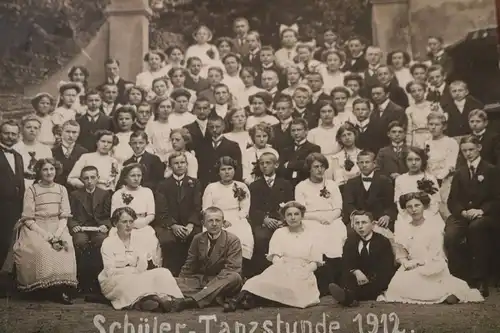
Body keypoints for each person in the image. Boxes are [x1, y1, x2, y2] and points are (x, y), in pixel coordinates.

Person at [379, 192, 483, 304]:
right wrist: (406, 262)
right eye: (409, 206)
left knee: (429, 283)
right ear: (405, 209)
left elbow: (436, 252)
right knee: (398, 287)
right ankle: (440, 295)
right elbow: (401, 254)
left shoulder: (434, 226)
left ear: (424, 206)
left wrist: (421, 262)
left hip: (432, 263)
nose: (413, 209)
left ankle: (445, 294)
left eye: (417, 205)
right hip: (411, 265)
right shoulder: (404, 229)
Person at [225, 201, 323, 311]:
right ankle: (236, 301)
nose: (293, 218)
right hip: (282, 267)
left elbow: (315, 261)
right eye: (289, 215)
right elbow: (276, 256)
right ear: (284, 218)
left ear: (302, 216)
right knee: (257, 282)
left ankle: (252, 300)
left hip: (303, 270)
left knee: (293, 290)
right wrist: (282, 268)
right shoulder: (280, 233)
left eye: (296, 214)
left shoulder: (312, 234)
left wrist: (304, 271)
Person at [13, 158, 77, 304]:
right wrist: (47, 236)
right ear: (39, 172)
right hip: (36, 226)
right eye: (45, 169)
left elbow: (64, 215)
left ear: (56, 171)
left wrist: (58, 234)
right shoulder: (32, 190)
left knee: (66, 246)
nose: (49, 172)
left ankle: (59, 288)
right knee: (41, 249)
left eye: (52, 169)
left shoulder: (62, 189)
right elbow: (28, 218)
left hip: (57, 226)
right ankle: (41, 289)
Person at [445, 136, 500, 296]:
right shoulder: (460, 172)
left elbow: (497, 198)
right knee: (451, 234)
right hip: (464, 214)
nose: (468, 154)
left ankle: (480, 279)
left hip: (487, 215)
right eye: (464, 151)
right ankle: (458, 279)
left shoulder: (491, 170)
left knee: (477, 228)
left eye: (471, 149)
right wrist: (462, 211)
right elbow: (452, 200)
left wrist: (481, 210)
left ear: (479, 148)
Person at [99, 207, 183, 312]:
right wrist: (132, 270)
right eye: (124, 222)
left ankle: (169, 298)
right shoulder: (108, 243)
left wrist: (136, 267)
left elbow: (142, 267)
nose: (128, 225)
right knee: (131, 282)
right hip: (114, 281)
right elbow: (110, 271)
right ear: (115, 224)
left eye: (131, 221)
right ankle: (154, 300)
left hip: (136, 275)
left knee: (162, 272)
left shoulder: (138, 240)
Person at [295, 152, 346, 296]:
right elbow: (301, 210)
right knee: (316, 238)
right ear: (309, 169)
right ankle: (322, 285)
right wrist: (318, 217)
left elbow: (338, 207)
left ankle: (337, 282)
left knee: (336, 234)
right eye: (316, 167)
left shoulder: (332, 184)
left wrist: (330, 217)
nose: (319, 170)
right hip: (310, 220)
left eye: (322, 166)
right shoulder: (301, 186)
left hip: (332, 219)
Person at [173, 206, 243, 311]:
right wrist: (181, 281)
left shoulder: (233, 240)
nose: (214, 224)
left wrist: (212, 286)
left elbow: (233, 268)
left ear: (223, 223)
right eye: (210, 221)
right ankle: (214, 298)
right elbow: (189, 265)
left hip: (222, 282)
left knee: (235, 277)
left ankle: (191, 301)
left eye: (218, 220)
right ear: (203, 223)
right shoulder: (198, 239)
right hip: (202, 281)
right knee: (172, 281)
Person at [328, 210, 395, 307]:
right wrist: (356, 271)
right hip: (358, 277)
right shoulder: (350, 240)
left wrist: (369, 278)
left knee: (378, 283)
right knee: (346, 276)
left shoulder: (382, 241)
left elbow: (386, 267)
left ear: (372, 225)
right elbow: (347, 262)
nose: (360, 226)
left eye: (364, 223)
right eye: (357, 223)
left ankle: (350, 297)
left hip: (375, 277)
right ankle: (350, 295)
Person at [154, 152, 202, 275]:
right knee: (168, 241)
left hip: (190, 224)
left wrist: (191, 224)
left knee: (197, 238)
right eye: (176, 163)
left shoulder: (195, 183)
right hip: (169, 224)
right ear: (170, 166)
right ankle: (172, 274)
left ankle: (192, 273)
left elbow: (197, 207)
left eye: (182, 163)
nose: (180, 166)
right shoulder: (162, 185)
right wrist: (173, 225)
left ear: (187, 165)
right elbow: (161, 209)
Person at [248, 152, 294, 277]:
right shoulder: (254, 186)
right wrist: (264, 219)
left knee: (287, 238)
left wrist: (283, 221)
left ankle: (285, 273)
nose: (264, 166)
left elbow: (291, 205)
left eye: (268, 163)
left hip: (281, 222)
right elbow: (252, 209)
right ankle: (263, 274)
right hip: (264, 222)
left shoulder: (285, 184)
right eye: (261, 163)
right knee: (261, 238)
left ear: (276, 165)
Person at [203, 157, 254, 264]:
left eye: (230, 168)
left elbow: (244, 209)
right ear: (218, 172)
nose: (227, 172)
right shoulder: (211, 187)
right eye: (223, 169)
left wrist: (237, 219)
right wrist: (220, 220)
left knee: (243, 235)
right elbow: (207, 209)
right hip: (215, 218)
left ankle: (238, 268)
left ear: (234, 170)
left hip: (237, 218)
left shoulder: (241, 186)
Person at [68, 166, 111, 295]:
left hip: (98, 228)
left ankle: (96, 281)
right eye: (86, 178)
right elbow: (69, 214)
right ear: (81, 179)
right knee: (80, 241)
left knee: (101, 241)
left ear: (98, 178)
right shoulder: (75, 195)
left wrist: (106, 225)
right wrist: (73, 225)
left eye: (93, 177)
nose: (90, 181)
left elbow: (109, 215)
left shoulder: (105, 194)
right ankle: (81, 281)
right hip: (81, 228)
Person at [111, 163, 160, 266]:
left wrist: (141, 223)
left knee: (147, 238)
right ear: (125, 178)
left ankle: (145, 267)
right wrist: (127, 224)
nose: (136, 178)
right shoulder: (118, 193)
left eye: (139, 175)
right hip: (123, 225)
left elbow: (151, 214)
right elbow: (114, 215)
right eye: (133, 176)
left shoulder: (147, 192)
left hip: (142, 224)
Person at [343, 151, 397, 230]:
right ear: (357, 164)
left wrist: (387, 216)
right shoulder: (351, 183)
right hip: (358, 221)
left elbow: (391, 204)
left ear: (374, 163)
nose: (364, 165)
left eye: (367, 162)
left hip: (379, 221)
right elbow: (348, 204)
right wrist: (355, 216)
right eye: (361, 162)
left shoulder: (385, 181)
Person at [394, 147, 441, 235]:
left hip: (428, 216)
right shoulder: (400, 179)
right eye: (410, 160)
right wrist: (411, 217)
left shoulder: (430, 178)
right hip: (407, 216)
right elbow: (399, 204)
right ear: (405, 161)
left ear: (422, 160)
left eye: (417, 159)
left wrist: (423, 218)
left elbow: (435, 203)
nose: (414, 163)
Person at [0, 121, 25, 277]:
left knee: (8, 242)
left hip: (14, 207)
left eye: (13, 134)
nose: (10, 137)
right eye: (6, 133)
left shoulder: (18, 156)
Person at [425, 111, 459, 218]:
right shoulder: (426, 142)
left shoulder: (451, 142)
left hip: (445, 181)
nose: (433, 127)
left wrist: (438, 179)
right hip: (429, 182)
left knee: (445, 210)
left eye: (437, 124)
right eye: (431, 124)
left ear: (444, 127)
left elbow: (451, 165)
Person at [197, 116, 242, 188]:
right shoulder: (202, 146)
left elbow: (238, 170)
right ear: (207, 128)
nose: (214, 129)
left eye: (217, 127)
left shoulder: (233, 146)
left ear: (223, 127)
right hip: (206, 186)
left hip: (226, 186)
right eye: (211, 127)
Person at [279, 118, 320, 188]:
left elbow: (309, 166)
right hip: (288, 185)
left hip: (307, 185)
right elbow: (281, 169)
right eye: (293, 130)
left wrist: (290, 164)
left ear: (306, 131)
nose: (296, 133)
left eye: (299, 130)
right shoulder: (285, 150)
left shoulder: (314, 148)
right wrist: (300, 164)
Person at [13, 115, 53, 188]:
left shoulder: (46, 149)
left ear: (39, 130)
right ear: (22, 129)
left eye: (35, 128)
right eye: (28, 127)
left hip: (41, 187)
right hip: (20, 187)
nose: (32, 130)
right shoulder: (15, 149)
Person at [369, 84, 407, 152]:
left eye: (378, 93)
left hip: (392, 150)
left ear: (387, 94)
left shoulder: (397, 110)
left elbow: (398, 134)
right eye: (373, 94)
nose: (375, 96)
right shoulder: (374, 110)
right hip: (376, 150)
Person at [52, 120, 88, 190]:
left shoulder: (84, 152)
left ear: (78, 134)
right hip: (57, 189)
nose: (71, 135)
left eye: (74, 132)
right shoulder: (53, 151)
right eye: (67, 131)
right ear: (61, 132)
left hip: (76, 191)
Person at [405, 81, 440, 149]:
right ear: (410, 94)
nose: (417, 93)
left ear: (425, 91)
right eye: (413, 91)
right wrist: (408, 145)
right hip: (417, 140)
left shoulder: (433, 106)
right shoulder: (409, 110)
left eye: (420, 90)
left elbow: (440, 125)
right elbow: (409, 130)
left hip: (433, 137)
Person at [145, 96, 173, 162]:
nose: (165, 109)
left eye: (168, 107)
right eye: (162, 107)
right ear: (157, 110)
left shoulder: (175, 124)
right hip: (156, 158)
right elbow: (147, 142)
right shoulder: (151, 125)